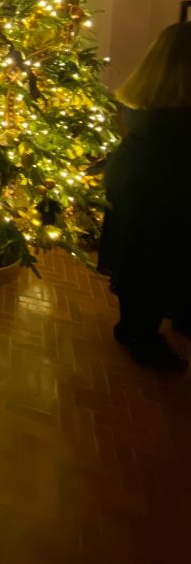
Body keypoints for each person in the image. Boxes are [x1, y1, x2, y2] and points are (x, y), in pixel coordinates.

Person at [99, 21, 191, 371]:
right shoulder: (176, 115)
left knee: (140, 260)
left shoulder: (146, 95)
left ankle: (137, 328)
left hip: (135, 182)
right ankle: (140, 335)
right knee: (152, 263)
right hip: (156, 191)